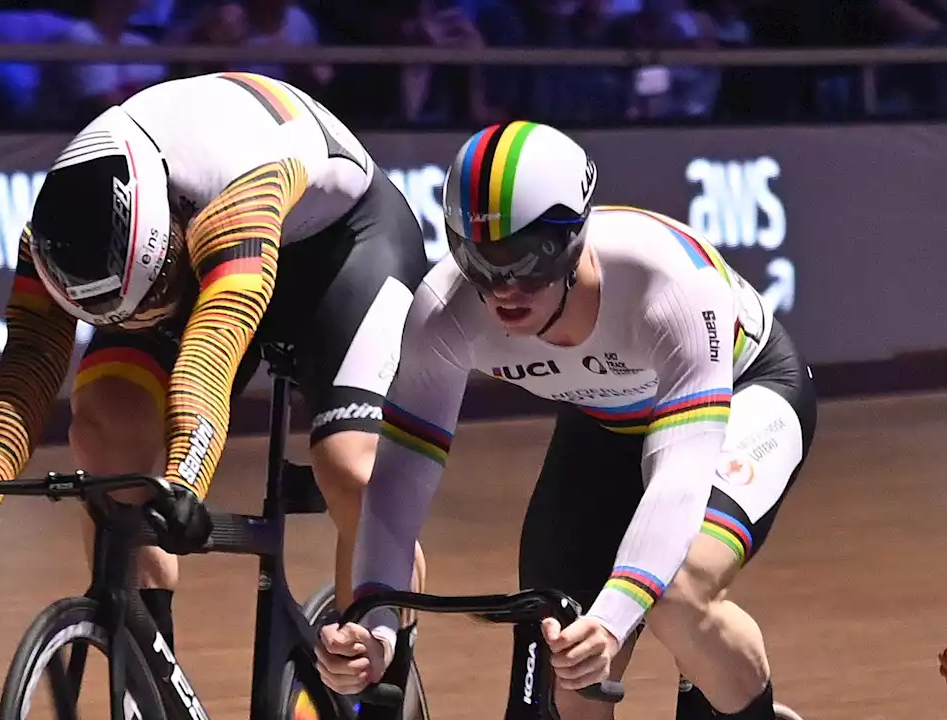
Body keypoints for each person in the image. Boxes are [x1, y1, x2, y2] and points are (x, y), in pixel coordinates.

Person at [314, 120, 816, 720]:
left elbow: (678, 476)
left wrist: (615, 616)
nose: (502, 290)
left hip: (744, 395)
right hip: (605, 421)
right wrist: (374, 620)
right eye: (476, 261)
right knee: (565, 657)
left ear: (572, 239)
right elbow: (396, 483)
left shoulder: (671, 284)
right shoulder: (445, 310)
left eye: (523, 262)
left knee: (677, 598)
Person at [0, 71, 430, 654]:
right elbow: (30, 361)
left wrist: (184, 483)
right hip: (202, 264)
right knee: (108, 425)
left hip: (343, 249)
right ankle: (146, 672)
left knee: (350, 470)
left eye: (151, 302)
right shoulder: (57, 232)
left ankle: (377, 681)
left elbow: (209, 354)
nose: (140, 323)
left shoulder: (233, 194)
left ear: (170, 240)